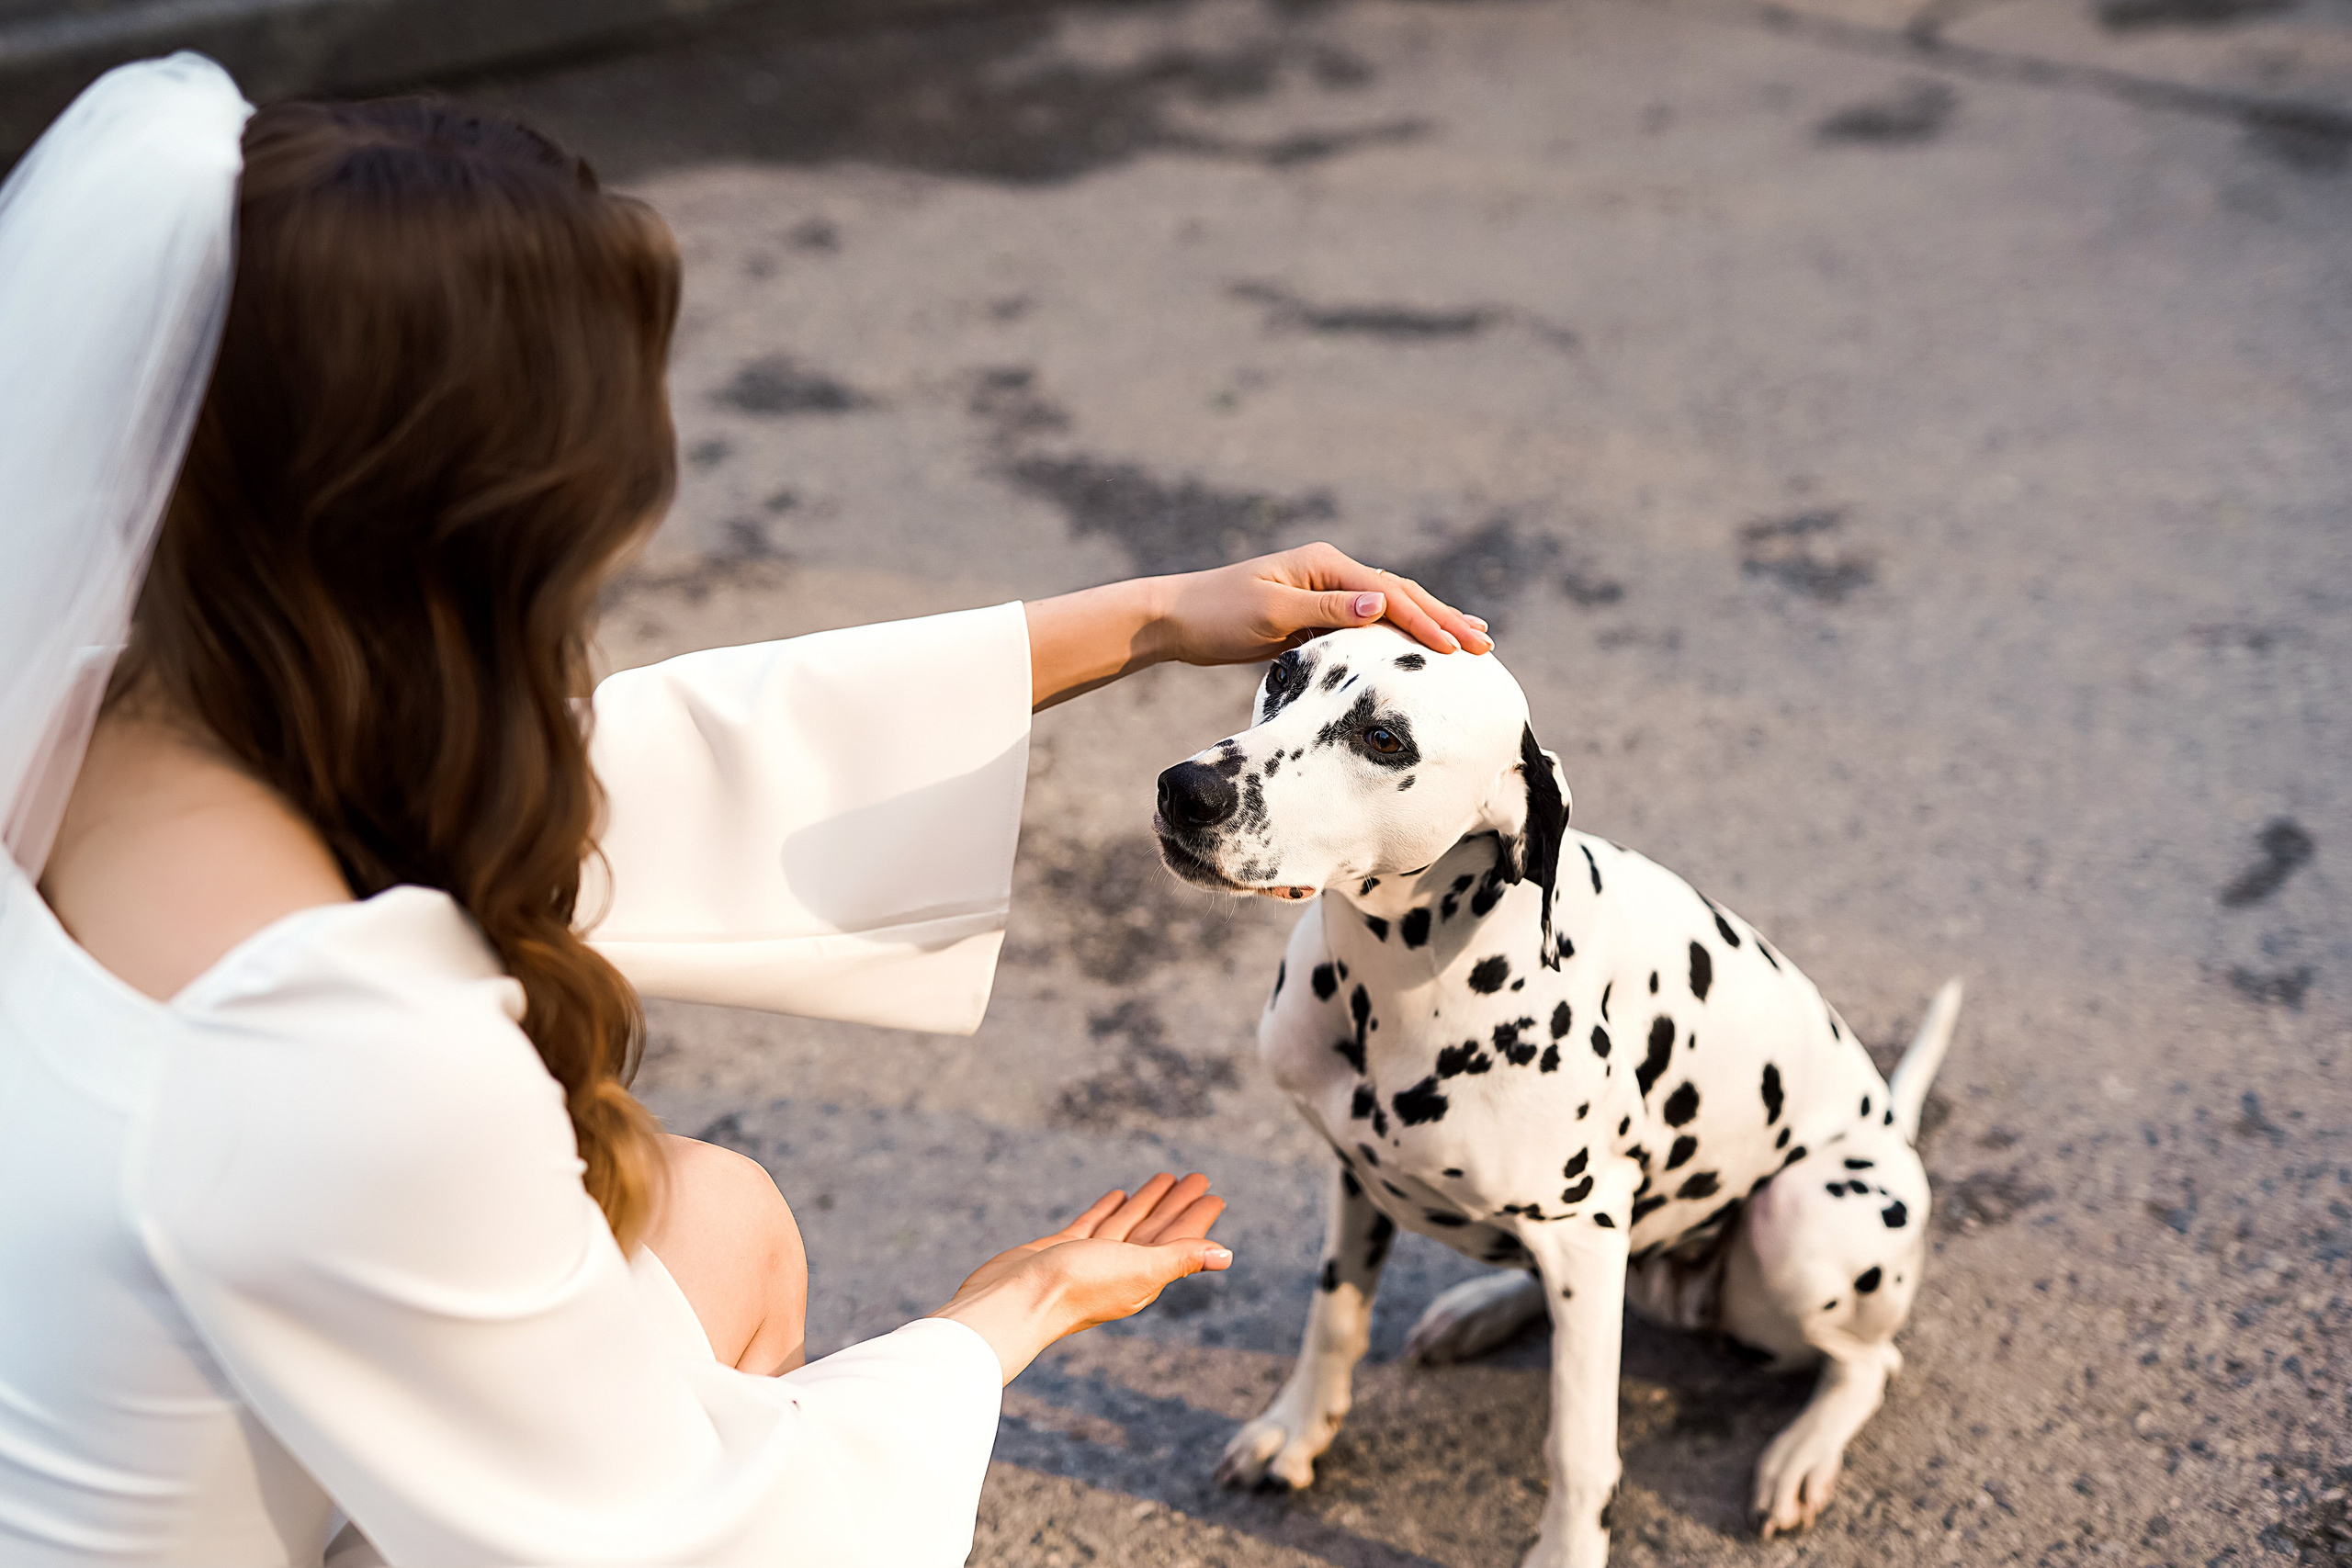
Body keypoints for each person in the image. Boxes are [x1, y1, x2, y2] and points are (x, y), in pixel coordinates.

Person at [0, 55, 1489, 1568]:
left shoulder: (68, 714)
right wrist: (1000, 1317)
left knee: (707, 1209)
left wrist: (1161, 613)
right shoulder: (347, 1062)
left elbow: (641, 761)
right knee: (714, 1242)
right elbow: (690, 1534)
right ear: (482, 536)